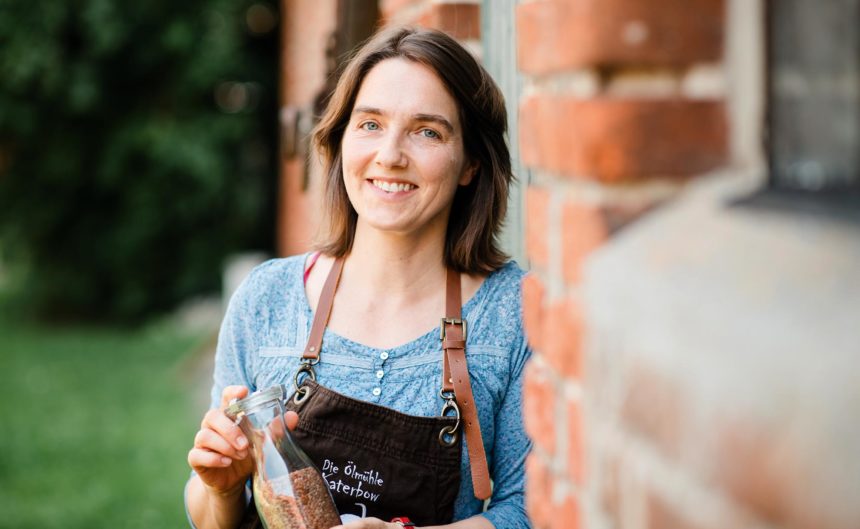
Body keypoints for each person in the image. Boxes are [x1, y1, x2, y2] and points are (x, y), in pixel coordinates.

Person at [185, 26, 532, 529]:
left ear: (471, 164)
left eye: (427, 131)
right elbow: (208, 510)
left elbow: (530, 510)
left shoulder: (512, 312)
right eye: (370, 124)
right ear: (341, 137)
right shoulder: (266, 298)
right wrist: (221, 487)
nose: (390, 155)